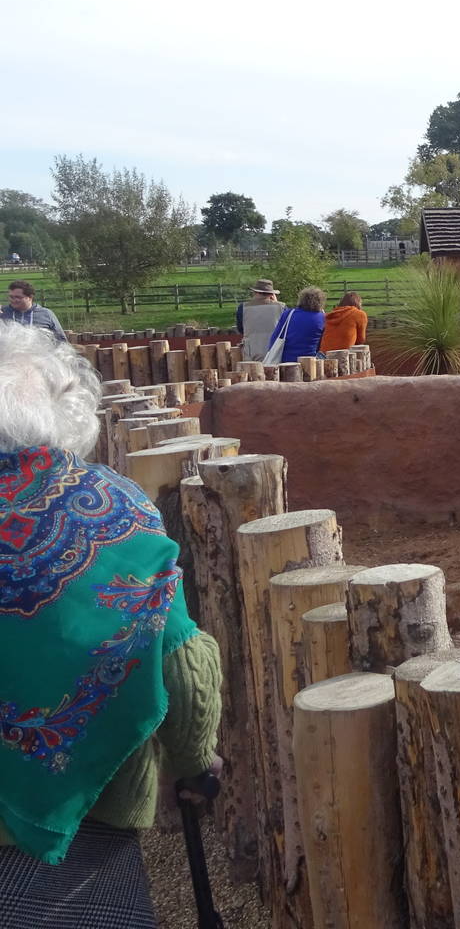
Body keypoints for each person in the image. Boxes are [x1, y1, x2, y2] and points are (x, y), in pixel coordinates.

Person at [0, 322, 222, 925]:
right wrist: (196, 759)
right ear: (66, 409)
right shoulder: (113, 507)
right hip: (90, 814)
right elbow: (179, 659)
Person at [268, 286, 327, 364]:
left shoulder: (289, 314)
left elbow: (275, 337)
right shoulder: (322, 318)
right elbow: (322, 343)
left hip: (286, 362)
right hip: (311, 362)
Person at [2, 280, 66, 343]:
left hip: (41, 352)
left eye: (18, 297)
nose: (13, 300)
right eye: (11, 297)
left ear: (30, 297)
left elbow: (61, 339)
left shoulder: (46, 314)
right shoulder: (2, 312)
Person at [236, 279, 284, 362]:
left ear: (255, 292)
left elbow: (241, 329)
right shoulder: (281, 307)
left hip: (251, 353)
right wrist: (276, 302)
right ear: (271, 294)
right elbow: (286, 328)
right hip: (275, 352)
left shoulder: (243, 308)